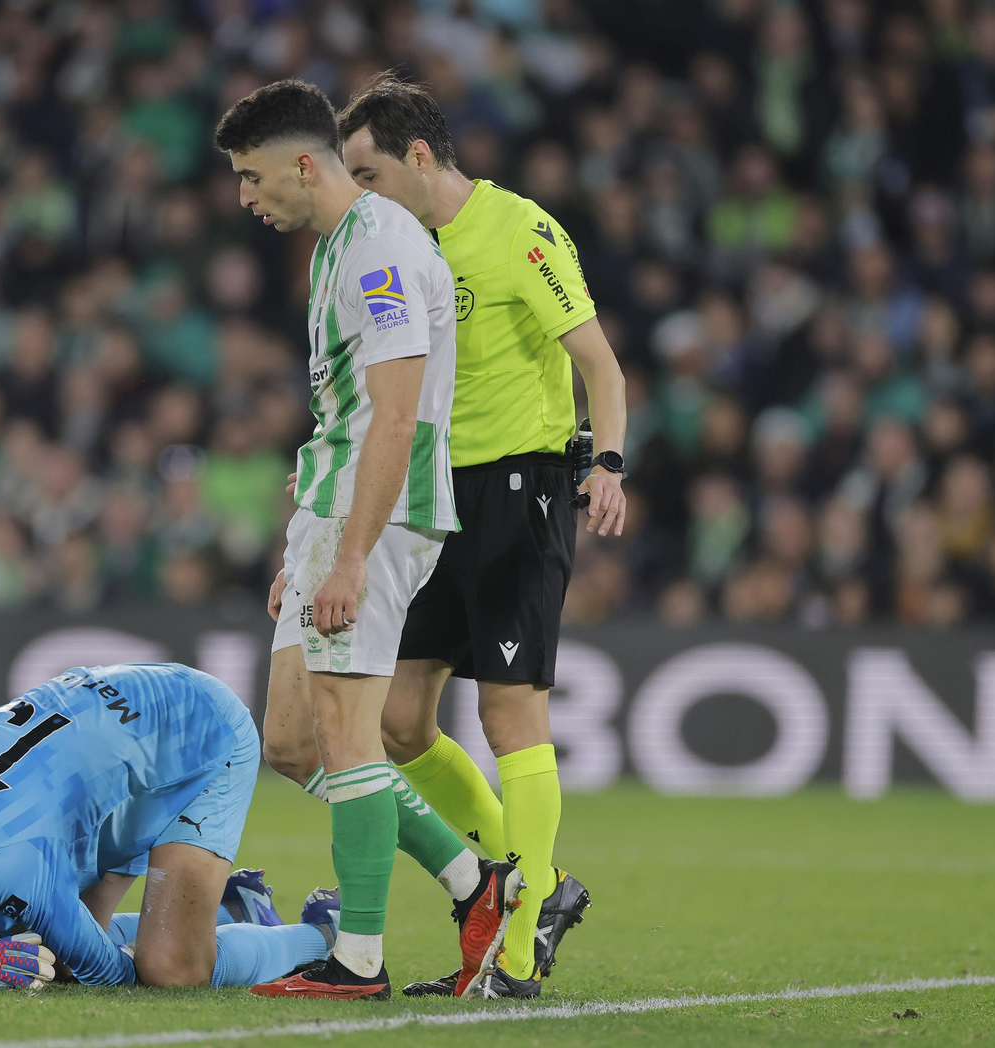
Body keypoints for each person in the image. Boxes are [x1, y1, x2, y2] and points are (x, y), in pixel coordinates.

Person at [214, 79, 519, 1002]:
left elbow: (393, 420)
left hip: (374, 521)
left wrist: (348, 554)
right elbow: (343, 416)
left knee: (349, 738)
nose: (245, 197)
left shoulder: (381, 247)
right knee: (294, 743)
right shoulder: (338, 250)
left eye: (253, 176)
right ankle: (476, 885)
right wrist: (303, 548)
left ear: (304, 164)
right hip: (333, 514)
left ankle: (356, 960)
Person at [336, 73, 629, 998]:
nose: (361, 192)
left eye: (368, 171)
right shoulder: (399, 246)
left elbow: (600, 363)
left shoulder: (521, 232)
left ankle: (516, 947)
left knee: (509, 712)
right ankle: (532, 881)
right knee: (397, 721)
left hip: (518, 486)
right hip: (430, 496)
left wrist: (609, 463)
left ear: (419, 157)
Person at [0, 662, 336, 989]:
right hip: (106, 712)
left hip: (197, 732)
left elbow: (109, 975)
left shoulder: (7, 867)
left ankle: (325, 934)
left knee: (167, 968)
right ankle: (235, 908)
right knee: (49, 953)